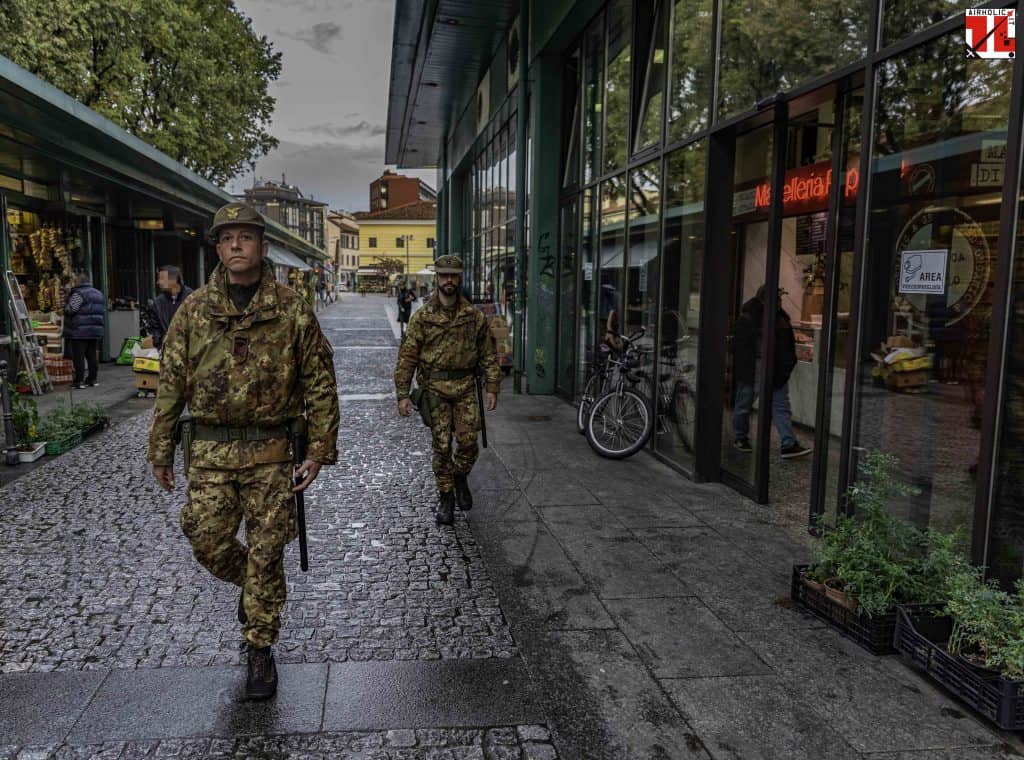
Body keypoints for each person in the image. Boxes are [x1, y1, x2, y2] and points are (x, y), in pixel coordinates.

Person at [147, 202, 340, 700]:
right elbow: (170, 382)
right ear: (217, 248)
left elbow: (320, 380)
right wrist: (161, 448)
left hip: (273, 453)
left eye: (245, 237)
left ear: (262, 246)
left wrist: (318, 449)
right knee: (205, 536)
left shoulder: (292, 307)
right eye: (227, 238)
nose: (236, 246)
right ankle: (255, 589)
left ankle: (259, 648)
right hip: (211, 452)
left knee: (269, 547)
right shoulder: (193, 311)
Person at [394, 255, 501, 525]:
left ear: (460, 278)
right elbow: (407, 357)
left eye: (453, 276)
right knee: (441, 448)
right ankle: (446, 498)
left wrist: (492, 386)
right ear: (437, 279)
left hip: (465, 388)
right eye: (444, 276)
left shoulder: (473, 317)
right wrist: (403, 394)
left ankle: (459, 475)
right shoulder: (423, 318)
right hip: (435, 390)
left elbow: (488, 353)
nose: (449, 281)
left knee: (468, 444)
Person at [731, 285, 811, 459]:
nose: (781, 301)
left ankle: (787, 444)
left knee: (777, 405)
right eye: (778, 297)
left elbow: (786, 346)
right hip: (757, 367)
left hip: (773, 368)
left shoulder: (775, 317)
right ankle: (741, 437)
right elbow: (741, 347)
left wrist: (787, 365)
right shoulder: (753, 317)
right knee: (747, 404)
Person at [64, 272, 105, 389]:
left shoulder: (78, 294)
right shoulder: (98, 293)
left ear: (79, 282)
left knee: (79, 356)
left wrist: (66, 306)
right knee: (91, 355)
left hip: (79, 331)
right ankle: (93, 379)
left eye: (75, 281)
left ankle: (79, 380)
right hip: (95, 330)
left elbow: (71, 309)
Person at [152, 265, 193, 350]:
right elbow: (156, 328)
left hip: (189, 350)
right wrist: (159, 345)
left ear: (174, 280)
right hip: (167, 351)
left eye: (161, 279)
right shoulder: (158, 302)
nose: (158, 282)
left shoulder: (192, 298)